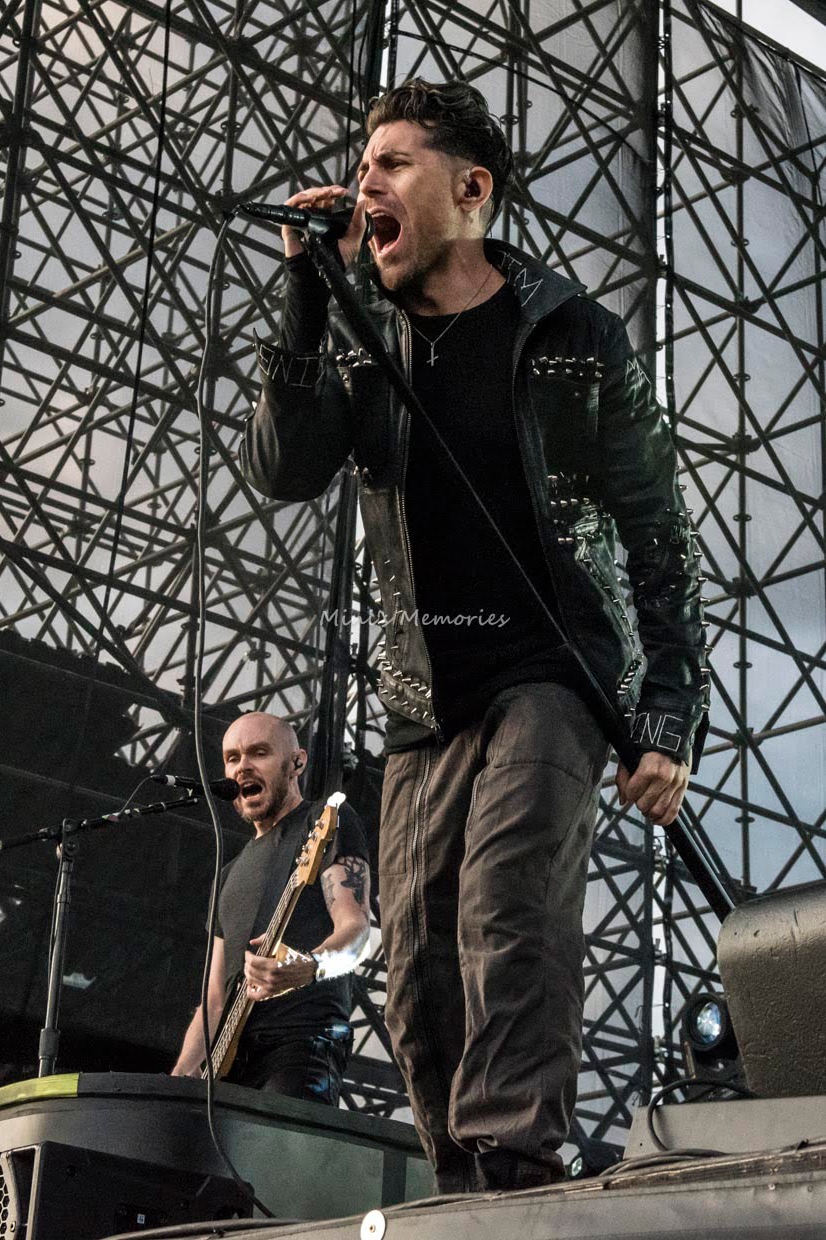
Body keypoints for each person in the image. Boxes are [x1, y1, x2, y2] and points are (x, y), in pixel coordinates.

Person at [240, 80, 710, 1191]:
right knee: (416, 961)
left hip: (555, 670)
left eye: (392, 163)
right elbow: (283, 468)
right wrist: (307, 294)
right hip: (425, 695)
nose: (364, 180)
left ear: (470, 188)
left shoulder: (575, 334)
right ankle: (464, 1182)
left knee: (506, 899)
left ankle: (514, 1155)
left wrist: (668, 714)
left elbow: (659, 531)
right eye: (363, 165)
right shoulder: (360, 338)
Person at [171, 712, 370, 1105]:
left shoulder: (324, 821)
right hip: (229, 1063)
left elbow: (357, 931)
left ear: (296, 762)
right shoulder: (228, 874)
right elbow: (215, 996)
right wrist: (180, 1075)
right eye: (232, 758)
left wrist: (309, 967)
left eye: (258, 753)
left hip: (300, 1044)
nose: (242, 766)